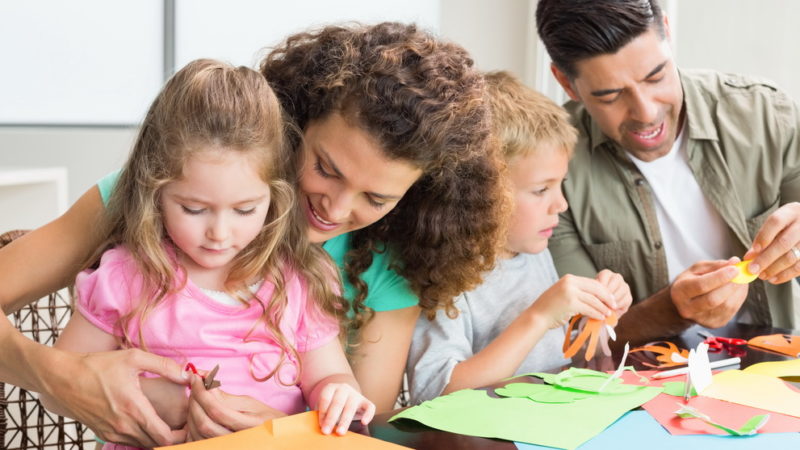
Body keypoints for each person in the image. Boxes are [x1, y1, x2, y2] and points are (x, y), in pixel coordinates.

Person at [0, 22, 507, 444]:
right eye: (325, 168)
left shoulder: (359, 267)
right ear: (295, 124)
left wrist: (276, 430)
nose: (335, 208)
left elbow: (356, 418)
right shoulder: (157, 197)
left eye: (376, 198)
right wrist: (58, 376)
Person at [39, 59, 375, 449]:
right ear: (155, 193)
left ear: (276, 195)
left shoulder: (296, 277)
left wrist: (339, 393)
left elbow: (328, 379)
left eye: (245, 209)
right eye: (194, 209)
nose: (219, 233)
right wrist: (156, 399)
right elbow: (57, 387)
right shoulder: (126, 277)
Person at [535, 0, 800, 345]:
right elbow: (579, 340)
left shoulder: (765, 115)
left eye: (655, 76)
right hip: (635, 386)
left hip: (771, 371)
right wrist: (673, 309)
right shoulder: (550, 169)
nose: (646, 113)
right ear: (566, 84)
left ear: (666, 29)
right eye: (611, 96)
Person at [405, 71, 632, 404]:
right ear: (479, 194)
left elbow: (559, 360)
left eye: (560, 184)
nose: (561, 203)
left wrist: (597, 315)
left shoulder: (533, 250)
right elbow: (436, 392)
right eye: (541, 189)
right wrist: (538, 316)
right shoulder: (444, 274)